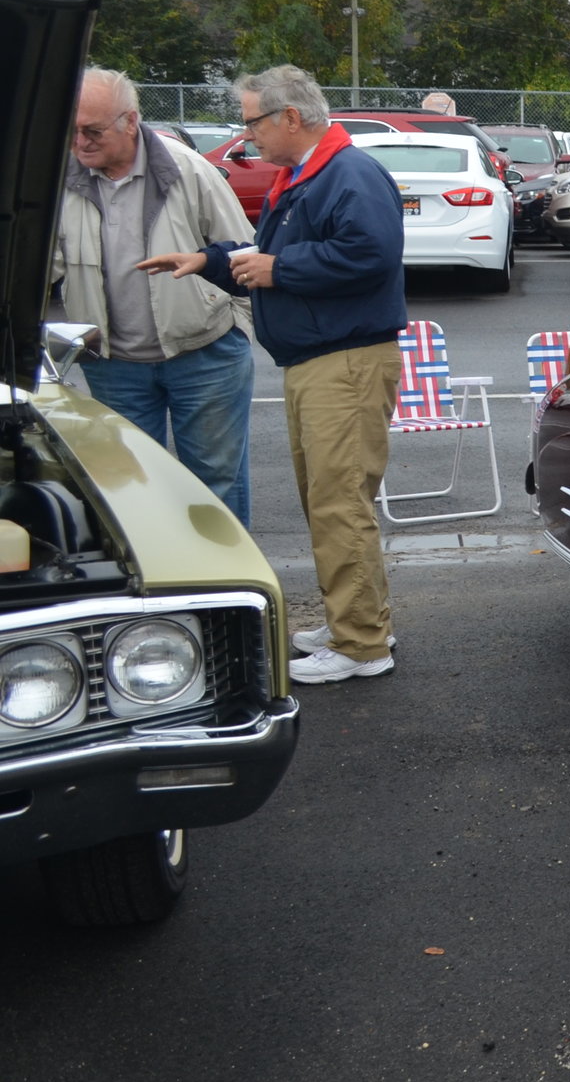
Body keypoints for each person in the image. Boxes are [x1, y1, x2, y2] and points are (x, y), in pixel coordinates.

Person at [139, 66, 406, 685]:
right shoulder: (310, 172)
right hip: (320, 363)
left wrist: (279, 269)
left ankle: (363, 644)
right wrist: (207, 260)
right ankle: (355, 621)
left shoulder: (347, 172)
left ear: (290, 117)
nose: (247, 133)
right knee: (331, 501)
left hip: (344, 364)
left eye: (253, 120)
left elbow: (371, 254)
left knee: (340, 504)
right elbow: (271, 258)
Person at [53, 69, 259, 521]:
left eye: (92, 130)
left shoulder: (190, 171)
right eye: (71, 130)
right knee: (129, 489)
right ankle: (156, 590)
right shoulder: (57, 181)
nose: (79, 142)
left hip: (206, 356)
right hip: (113, 366)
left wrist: (241, 332)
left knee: (214, 485)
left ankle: (222, 586)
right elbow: (39, 267)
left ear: (130, 121)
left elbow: (246, 255)